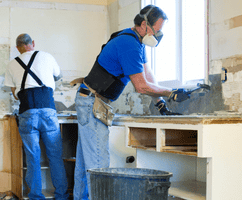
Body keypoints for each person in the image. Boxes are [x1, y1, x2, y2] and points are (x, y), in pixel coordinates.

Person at [71, 5, 191, 200]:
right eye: (157, 29)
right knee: (99, 166)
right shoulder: (129, 44)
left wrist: (161, 104)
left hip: (89, 100)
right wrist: (171, 92)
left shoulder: (135, 40)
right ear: (144, 24)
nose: (159, 34)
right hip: (92, 103)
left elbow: (148, 77)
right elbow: (142, 86)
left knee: (85, 164)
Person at [4, 33, 69, 200]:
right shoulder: (46, 56)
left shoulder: (12, 64)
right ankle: (61, 195)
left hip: (27, 111)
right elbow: (57, 76)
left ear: (17, 48)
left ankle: (35, 196)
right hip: (48, 110)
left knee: (33, 156)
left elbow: (15, 94)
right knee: (55, 156)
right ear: (32, 43)